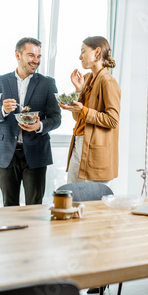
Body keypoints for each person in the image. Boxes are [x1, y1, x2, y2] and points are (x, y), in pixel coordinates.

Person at [0, 37, 61, 206]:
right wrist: (3, 110)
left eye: (39, 56)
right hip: (6, 154)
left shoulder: (48, 84)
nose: (36, 61)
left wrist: (39, 126)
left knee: (34, 206)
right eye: (31, 55)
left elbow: (56, 118)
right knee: (9, 206)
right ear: (17, 55)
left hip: (36, 152)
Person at [59, 36, 121, 185]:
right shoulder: (86, 79)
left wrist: (84, 110)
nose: (80, 57)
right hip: (78, 143)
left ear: (97, 52)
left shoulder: (108, 81)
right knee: (71, 196)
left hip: (96, 151)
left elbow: (113, 120)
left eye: (83, 52)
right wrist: (79, 91)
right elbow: (78, 117)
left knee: (94, 203)